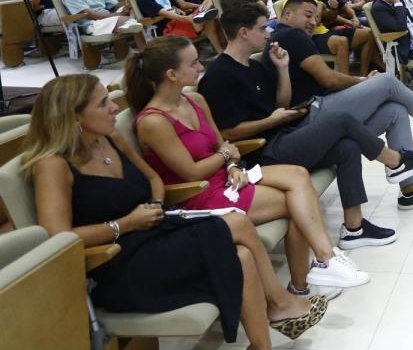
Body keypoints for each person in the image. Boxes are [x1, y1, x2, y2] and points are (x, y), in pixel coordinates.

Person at [21, 74, 327, 348]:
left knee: (244, 254)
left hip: (153, 230)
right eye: (103, 104)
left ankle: (265, 340)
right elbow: (59, 237)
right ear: (74, 117)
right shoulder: (52, 165)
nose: (115, 108)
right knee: (235, 223)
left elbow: (152, 178)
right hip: (117, 260)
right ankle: (279, 304)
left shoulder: (108, 139)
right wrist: (125, 224)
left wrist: (155, 204)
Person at [126, 36, 371, 298]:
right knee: (297, 203)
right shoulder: (153, 122)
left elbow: (225, 146)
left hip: (226, 178)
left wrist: (232, 165)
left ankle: (321, 265)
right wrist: (225, 156)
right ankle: (312, 273)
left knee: (298, 176)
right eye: (194, 63)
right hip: (197, 195)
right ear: (172, 74)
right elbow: (192, 172)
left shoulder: (195, 100)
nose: (200, 67)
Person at [200, 4, 413, 248]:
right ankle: (395, 162)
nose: (268, 34)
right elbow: (226, 132)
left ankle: (354, 229)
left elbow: (280, 103)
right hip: (262, 153)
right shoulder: (219, 75)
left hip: (283, 135)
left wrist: (282, 70)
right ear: (243, 32)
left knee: (348, 146)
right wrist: (271, 121)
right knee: (341, 119)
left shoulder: (255, 65)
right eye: (262, 29)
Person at [270, 0, 413, 208]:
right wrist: (364, 81)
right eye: (307, 15)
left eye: (316, 16)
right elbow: (328, 78)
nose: (313, 21)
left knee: (395, 110)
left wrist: (361, 83)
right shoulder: (290, 35)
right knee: (386, 80)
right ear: (286, 15)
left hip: (319, 110)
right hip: (310, 116)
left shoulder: (290, 37)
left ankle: (411, 191)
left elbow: (325, 80)